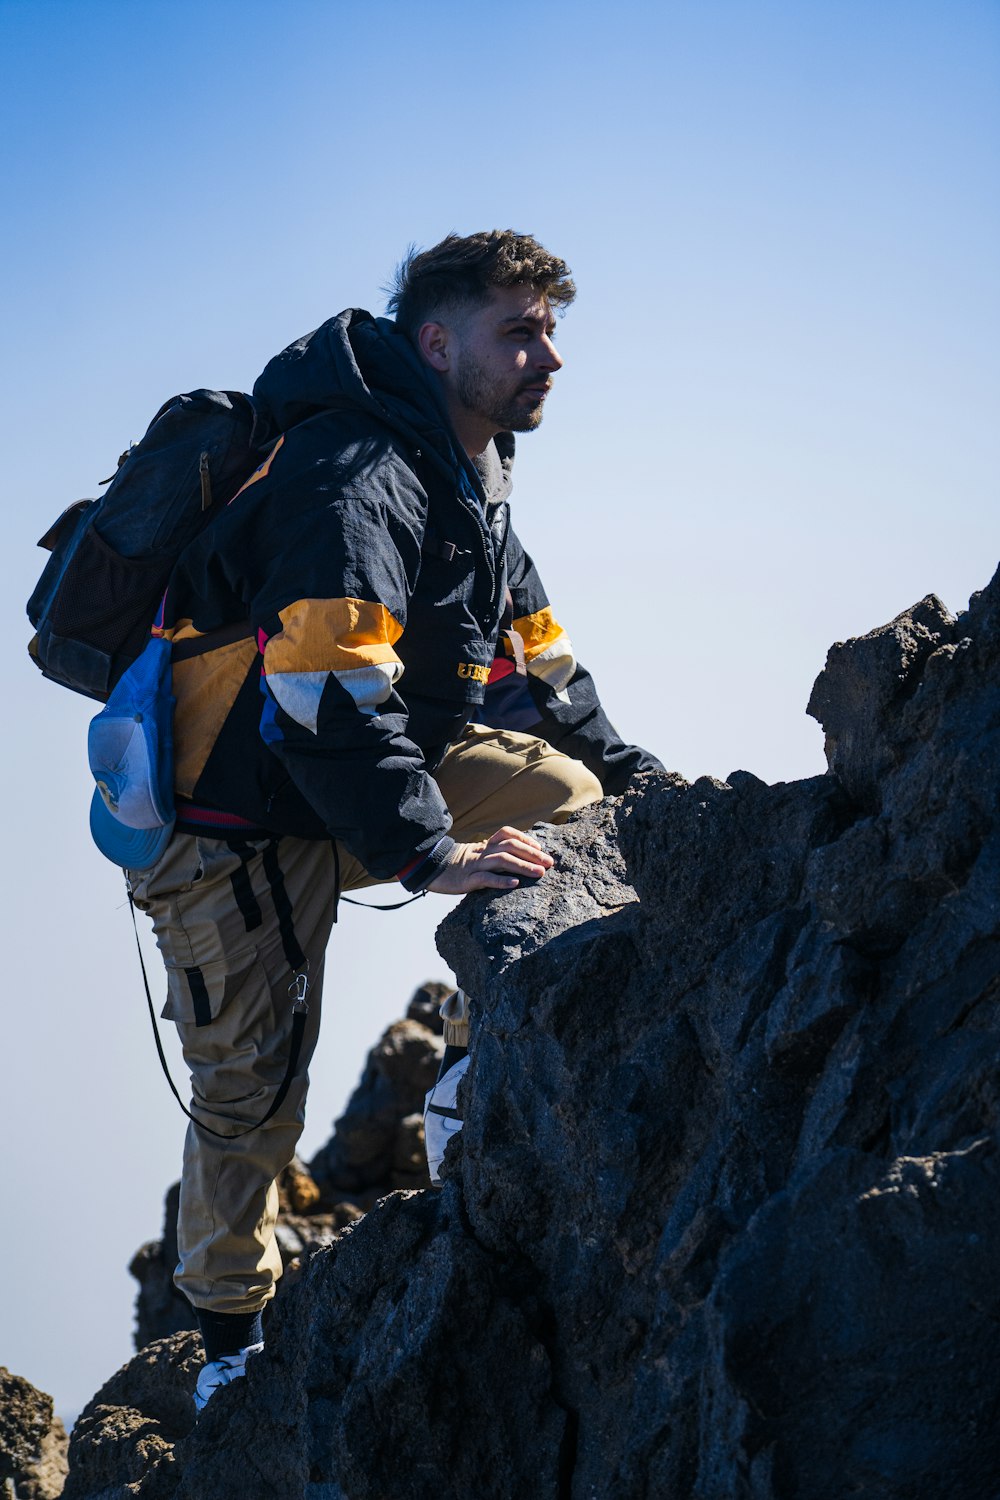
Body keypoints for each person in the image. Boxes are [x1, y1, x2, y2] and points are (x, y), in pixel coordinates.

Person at [123, 229, 662, 1409]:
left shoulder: (474, 470)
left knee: (576, 810)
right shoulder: (356, 473)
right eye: (519, 330)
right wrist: (429, 852)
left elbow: (539, 665)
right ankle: (229, 1342)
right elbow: (325, 689)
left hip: (374, 758)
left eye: (552, 329)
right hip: (236, 812)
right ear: (437, 341)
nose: (550, 356)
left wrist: (653, 793)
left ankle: (476, 1084)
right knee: (251, 1089)